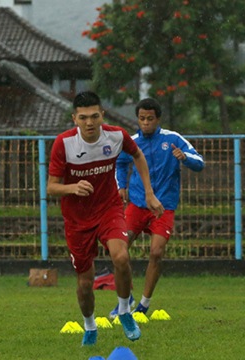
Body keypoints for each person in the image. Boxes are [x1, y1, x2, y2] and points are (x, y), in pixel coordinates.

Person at [47, 91, 163, 346]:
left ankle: (124, 310)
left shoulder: (116, 135)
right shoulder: (63, 144)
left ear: (103, 115)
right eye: (84, 118)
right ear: (75, 119)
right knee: (85, 283)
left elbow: (138, 156)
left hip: (109, 209)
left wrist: (149, 193)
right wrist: (72, 187)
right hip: (77, 220)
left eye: (95, 116)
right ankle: (89, 326)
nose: (90, 123)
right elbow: (51, 187)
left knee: (121, 257)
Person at [111, 97, 204, 318]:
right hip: (137, 204)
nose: (145, 123)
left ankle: (143, 304)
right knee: (119, 251)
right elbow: (120, 163)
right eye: (142, 119)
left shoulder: (173, 139)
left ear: (158, 119)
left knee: (156, 252)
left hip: (164, 206)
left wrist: (185, 158)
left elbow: (200, 162)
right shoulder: (132, 142)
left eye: (150, 119)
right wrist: (121, 185)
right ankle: (126, 298)